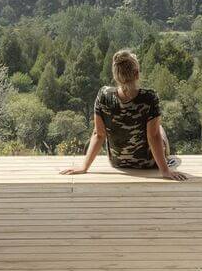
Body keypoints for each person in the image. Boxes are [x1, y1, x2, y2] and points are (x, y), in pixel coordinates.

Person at [60, 49, 187, 181]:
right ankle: (167, 161)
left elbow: (99, 134)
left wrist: (84, 167)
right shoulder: (149, 97)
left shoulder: (104, 95)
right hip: (148, 163)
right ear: (136, 74)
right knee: (159, 129)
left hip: (117, 162)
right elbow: (153, 136)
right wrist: (165, 171)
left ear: (116, 76)